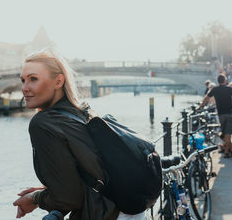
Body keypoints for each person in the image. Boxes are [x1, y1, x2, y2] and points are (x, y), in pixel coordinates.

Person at [13, 50, 144, 220]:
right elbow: (90, 173)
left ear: (58, 81)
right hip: (128, 209)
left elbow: (68, 199)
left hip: (105, 214)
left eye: (33, 79)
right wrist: (49, 190)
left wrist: (34, 199)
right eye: (23, 80)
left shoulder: (43, 123)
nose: (24, 88)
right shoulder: (81, 112)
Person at [200, 74, 232, 158]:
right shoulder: (229, 89)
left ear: (218, 81)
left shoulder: (215, 89)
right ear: (225, 80)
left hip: (221, 113)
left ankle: (229, 149)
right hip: (230, 112)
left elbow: (206, 97)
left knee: (224, 132)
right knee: (228, 132)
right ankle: (228, 150)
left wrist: (201, 106)